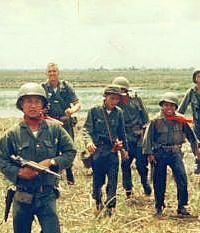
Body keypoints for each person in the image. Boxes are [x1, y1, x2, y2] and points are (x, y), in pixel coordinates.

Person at [0, 83, 77, 233]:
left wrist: (51, 162)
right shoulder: (12, 135)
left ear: (43, 106)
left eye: (37, 101)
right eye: (28, 101)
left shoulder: (55, 130)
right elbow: (2, 159)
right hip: (22, 195)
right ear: (21, 105)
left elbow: (70, 152)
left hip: (46, 194)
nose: (32, 105)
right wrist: (19, 173)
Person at [142, 92, 200, 218]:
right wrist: (149, 154)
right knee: (159, 181)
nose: (169, 108)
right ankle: (159, 206)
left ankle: (182, 206)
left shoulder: (181, 120)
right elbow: (147, 139)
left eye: (172, 106)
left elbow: (191, 136)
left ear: (176, 107)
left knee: (182, 178)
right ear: (162, 106)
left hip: (175, 154)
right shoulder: (155, 120)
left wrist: (196, 149)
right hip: (160, 154)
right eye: (166, 105)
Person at [82, 85, 128, 216]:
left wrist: (124, 149)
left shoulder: (118, 112)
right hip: (98, 151)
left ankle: (110, 206)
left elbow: (122, 133)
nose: (114, 102)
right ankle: (97, 200)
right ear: (105, 97)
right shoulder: (94, 111)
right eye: (112, 98)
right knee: (98, 180)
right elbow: (87, 130)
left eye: (117, 99)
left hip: (112, 150)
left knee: (113, 179)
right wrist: (89, 142)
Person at [42, 63, 82, 184]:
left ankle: (70, 176)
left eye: (54, 71)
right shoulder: (43, 88)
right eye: (49, 72)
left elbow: (77, 103)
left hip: (65, 122)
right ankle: (53, 178)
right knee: (51, 149)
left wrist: (72, 110)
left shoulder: (66, 86)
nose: (52, 74)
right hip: (50, 122)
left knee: (68, 148)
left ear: (58, 73)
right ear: (46, 73)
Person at [113, 76, 151, 198]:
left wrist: (145, 134)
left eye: (122, 90)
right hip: (125, 138)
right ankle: (128, 189)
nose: (120, 93)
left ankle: (145, 184)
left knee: (141, 164)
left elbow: (146, 119)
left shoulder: (136, 100)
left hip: (139, 137)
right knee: (125, 164)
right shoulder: (114, 104)